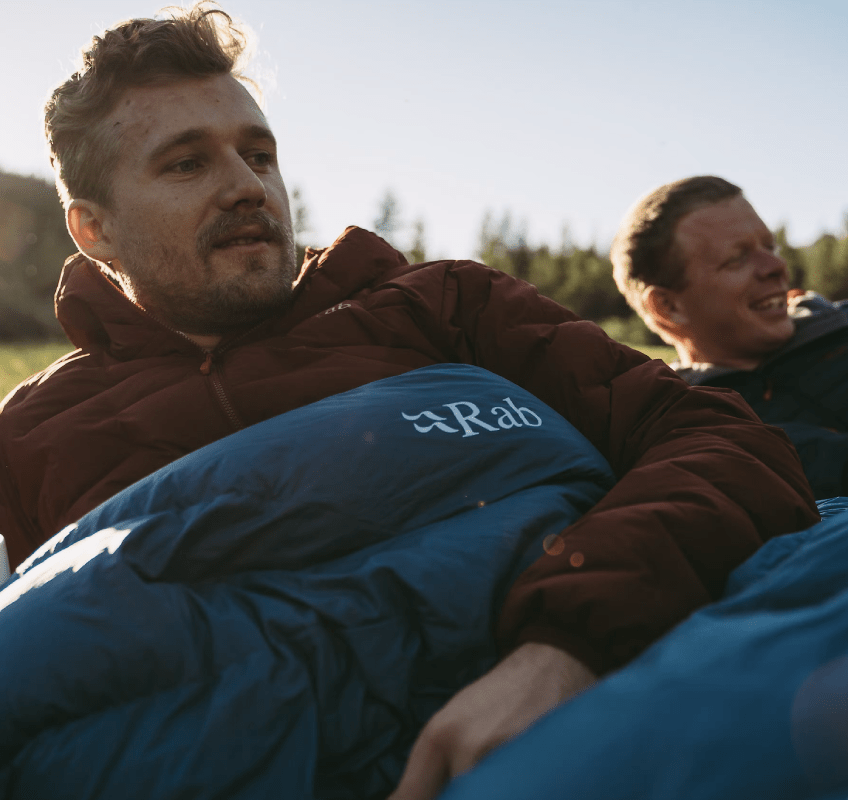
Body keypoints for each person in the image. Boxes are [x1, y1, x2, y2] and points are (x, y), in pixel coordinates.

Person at [0, 9, 817, 799]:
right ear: (94, 229)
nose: (247, 187)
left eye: (258, 154)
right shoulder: (32, 436)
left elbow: (722, 443)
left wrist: (565, 647)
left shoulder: (444, 306)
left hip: (571, 728)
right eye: (187, 164)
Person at [611, 175, 848, 499]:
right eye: (737, 259)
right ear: (668, 306)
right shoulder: (682, 427)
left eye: (770, 247)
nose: (776, 266)